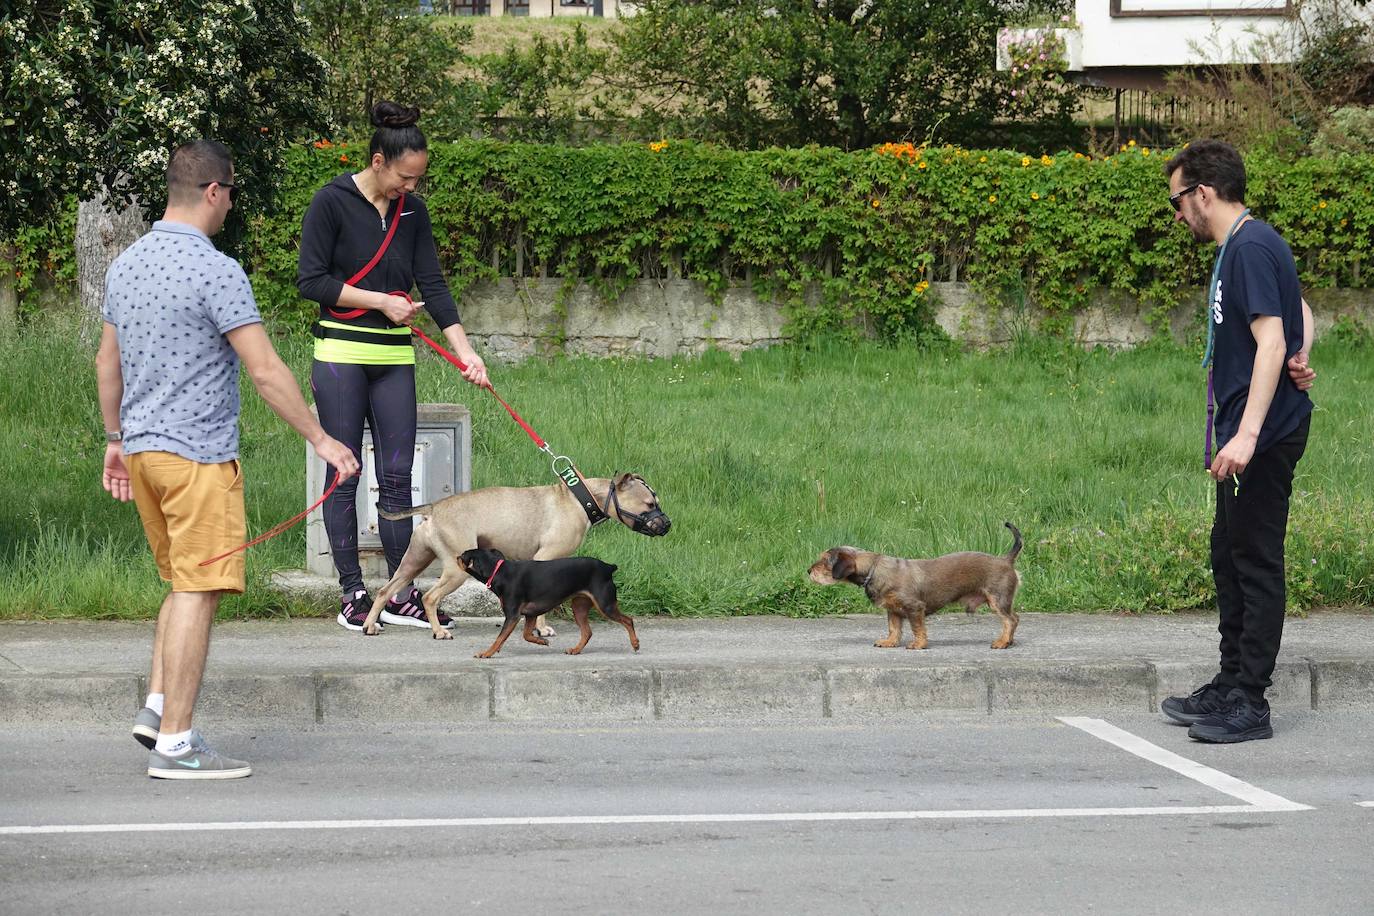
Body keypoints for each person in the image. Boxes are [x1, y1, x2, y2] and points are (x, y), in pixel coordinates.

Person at [97, 140, 359, 779]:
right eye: (232, 192)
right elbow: (265, 369)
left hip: (144, 453)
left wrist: (115, 441)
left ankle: (159, 706)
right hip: (197, 459)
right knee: (199, 589)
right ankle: (177, 745)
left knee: (184, 582)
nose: (231, 205)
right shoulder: (217, 270)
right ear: (213, 191)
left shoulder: (126, 263)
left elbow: (108, 361)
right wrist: (322, 440)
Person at [298, 100, 489, 632]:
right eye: (405, 177)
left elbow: (434, 283)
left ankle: (399, 592)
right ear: (378, 161)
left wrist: (466, 351)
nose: (411, 187)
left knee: (398, 478)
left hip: (394, 358)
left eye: (417, 179)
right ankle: (352, 594)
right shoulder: (331, 202)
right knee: (345, 473)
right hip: (341, 356)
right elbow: (311, 281)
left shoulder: (412, 212)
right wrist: (381, 301)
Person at [1158, 139, 1314, 743]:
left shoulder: (1248, 246)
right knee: (1228, 555)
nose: (1177, 216)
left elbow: (1271, 339)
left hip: (1264, 436)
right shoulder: (1248, 244)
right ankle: (1229, 684)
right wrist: (1303, 351)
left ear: (1202, 193)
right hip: (1247, 432)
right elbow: (1300, 309)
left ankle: (1250, 701)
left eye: (1177, 202)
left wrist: (1247, 436)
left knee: (1254, 561)